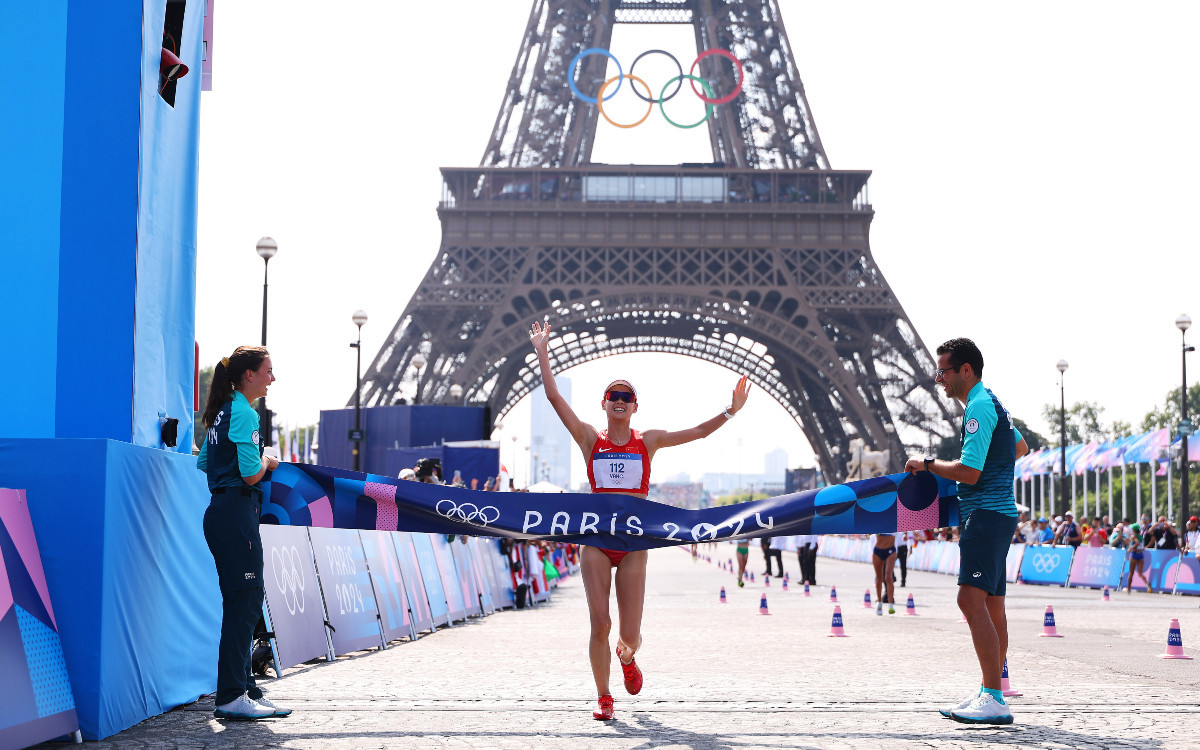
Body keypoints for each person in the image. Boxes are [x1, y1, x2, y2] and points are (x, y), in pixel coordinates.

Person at [529, 319, 750, 721]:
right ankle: (603, 696)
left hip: (634, 546)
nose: (619, 400)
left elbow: (699, 432)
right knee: (600, 622)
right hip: (596, 540)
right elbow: (552, 395)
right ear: (604, 404)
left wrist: (729, 412)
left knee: (628, 635)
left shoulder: (647, 441)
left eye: (626, 396)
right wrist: (543, 352)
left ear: (634, 406)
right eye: (612, 395)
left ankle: (628, 657)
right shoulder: (588, 439)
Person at [904, 338, 1028, 726]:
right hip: (999, 513)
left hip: (985, 515)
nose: (938, 378)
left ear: (966, 370)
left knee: (969, 602)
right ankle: (992, 690)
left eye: (943, 370)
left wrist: (927, 464)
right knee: (992, 605)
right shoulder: (993, 402)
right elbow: (1020, 447)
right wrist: (995, 470)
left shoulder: (976, 406)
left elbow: (970, 472)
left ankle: (993, 696)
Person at [197, 346, 291, 721]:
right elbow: (253, 474)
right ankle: (233, 694)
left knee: (242, 603)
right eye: (268, 370)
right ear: (249, 374)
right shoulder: (244, 412)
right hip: (237, 513)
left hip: (224, 511)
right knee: (246, 603)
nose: (272, 377)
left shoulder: (222, 411)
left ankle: (243, 687)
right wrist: (267, 459)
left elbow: (204, 461)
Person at [872, 532, 898, 614]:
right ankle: (879, 602)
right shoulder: (878, 522)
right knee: (879, 578)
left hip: (890, 551)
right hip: (878, 550)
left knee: (888, 577)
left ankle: (890, 604)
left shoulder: (895, 521)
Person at [1126, 524, 1151, 593]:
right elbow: (1141, 545)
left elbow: (1137, 543)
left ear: (1134, 530)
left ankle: (1128, 588)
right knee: (1140, 573)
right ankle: (1147, 584)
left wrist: (1131, 548)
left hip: (1134, 554)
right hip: (1140, 555)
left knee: (1131, 573)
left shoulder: (1133, 536)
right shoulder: (1141, 536)